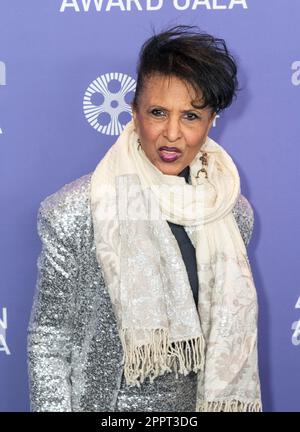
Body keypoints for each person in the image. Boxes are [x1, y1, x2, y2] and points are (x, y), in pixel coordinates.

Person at [27, 25, 262, 412]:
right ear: (135, 112)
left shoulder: (231, 211)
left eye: (191, 115)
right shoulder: (75, 210)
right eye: (158, 112)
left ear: (211, 120)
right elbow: (50, 338)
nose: (172, 134)